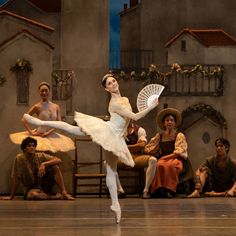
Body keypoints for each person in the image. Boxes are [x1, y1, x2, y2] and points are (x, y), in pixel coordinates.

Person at [23, 73, 159, 223]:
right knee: (73, 129)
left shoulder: (125, 99)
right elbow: (135, 117)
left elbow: (127, 121)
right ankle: (39, 122)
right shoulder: (114, 103)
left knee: (112, 170)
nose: (113, 84)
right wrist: (151, 107)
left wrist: (124, 134)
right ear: (106, 89)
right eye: (109, 84)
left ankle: (115, 205)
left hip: (116, 137)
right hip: (108, 130)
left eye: (114, 81)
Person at [0, 137, 74, 200]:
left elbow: (58, 160)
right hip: (31, 188)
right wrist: (11, 196)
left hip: (44, 185)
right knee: (34, 195)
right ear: (24, 148)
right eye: (29, 146)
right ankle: (55, 197)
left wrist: (44, 164)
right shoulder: (19, 158)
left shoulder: (40, 155)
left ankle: (64, 193)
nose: (32, 147)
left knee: (55, 166)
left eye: (33, 146)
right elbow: (16, 177)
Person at [10, 81, 74, 153]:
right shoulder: (37, 106)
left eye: (46, 90)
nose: (44, 93)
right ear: (39, 92)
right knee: (40, 157)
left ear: (49, 92)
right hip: (40, 135)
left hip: (51, 135)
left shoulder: (56, 107)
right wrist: (31, 132)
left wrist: (49, 133)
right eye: (42, 91)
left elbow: (59, 124)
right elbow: (24, 120)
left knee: (52, 157)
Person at [144, 108, 193, 198]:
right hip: (164, 158)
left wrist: (164, 158)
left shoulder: (179, 135)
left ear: (174, 123)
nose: (169, 122)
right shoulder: (160, 136)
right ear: (164, 123)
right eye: (167, 120)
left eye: (171, 120)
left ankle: (170, 189)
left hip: (176, 158)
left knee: (170, 165)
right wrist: (148, 150)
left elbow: (178, 152)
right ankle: (159, 189)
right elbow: (150, 148)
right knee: (158, 165)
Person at [116, 120, 157, 199]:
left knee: (153, 160)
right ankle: (120, 190)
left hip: (136, 157)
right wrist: (134, 146)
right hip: (122, 158)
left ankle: (146, 190)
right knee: (107, 163)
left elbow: (142, 145)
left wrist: (125, 147)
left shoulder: (139, 130)